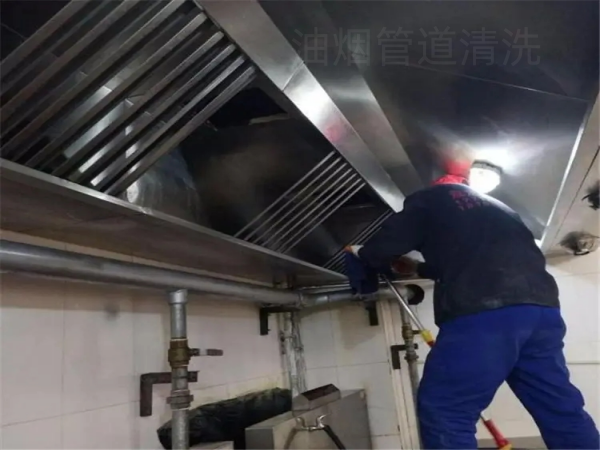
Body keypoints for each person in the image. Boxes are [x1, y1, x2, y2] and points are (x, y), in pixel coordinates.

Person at [346, 174, 600, 449]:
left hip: (485, 315)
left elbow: (385, 245)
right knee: (559, 409)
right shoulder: (503, 210)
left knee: (446, 409)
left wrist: (362, 255)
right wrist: (418, 267)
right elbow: (472, 256)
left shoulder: (429, 199)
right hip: (542, 312)